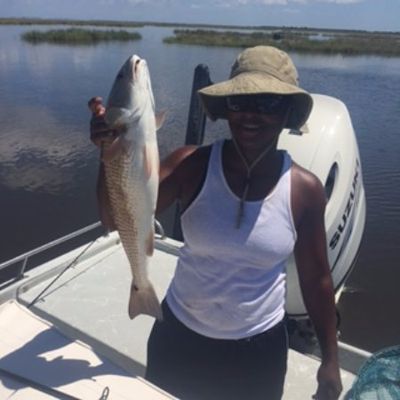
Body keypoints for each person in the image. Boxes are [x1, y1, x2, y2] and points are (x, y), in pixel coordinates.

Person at [89, 46, 343, 400]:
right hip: (180, 337)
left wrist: (330, 358)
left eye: (267, 103)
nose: (251, 115)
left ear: (288, 112)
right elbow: (114, 218)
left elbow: (317, 280)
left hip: (259, 351)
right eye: (240, 102)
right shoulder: (191, 166)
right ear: (226, 109)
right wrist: (111, 152)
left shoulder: (305, 191)